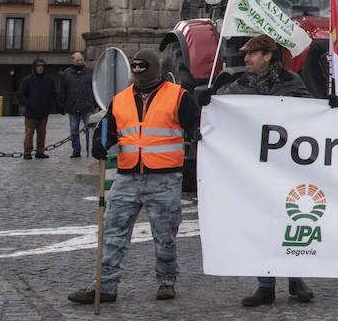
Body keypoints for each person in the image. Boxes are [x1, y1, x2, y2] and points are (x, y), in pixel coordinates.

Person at [68, 49, 201, 305]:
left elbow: (196, 124)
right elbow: (109, 129)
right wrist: (101, 143)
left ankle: (166, 280)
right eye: (134, 67)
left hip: (164, 178)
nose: (138, 71)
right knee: (113, 232)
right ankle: (105, 286)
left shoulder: (178, 97)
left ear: (153, 69)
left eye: (142, 66)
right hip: (127, 176)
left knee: (165, 234)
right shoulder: (120, 100)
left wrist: (197, 135)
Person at [209, 35, 318, 307]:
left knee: (293, 220)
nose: (245, 58)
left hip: (289, 166)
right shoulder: (238, 87)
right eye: (245, 54)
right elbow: (219, 114)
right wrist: (207, 102)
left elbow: (311, 116)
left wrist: (328, 106)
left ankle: (296, 279)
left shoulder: (291, 82)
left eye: (251, 54)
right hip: (254, 169)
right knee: (262, 223)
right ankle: (265, 284)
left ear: (268, 55)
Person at [16, 58, 57, 159]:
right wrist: (28, 104)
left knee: (42, 133)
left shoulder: (48, 80)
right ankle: (27, 152)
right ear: (35, 67)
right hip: (31, 112)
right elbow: (21, 94)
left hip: (43, 112)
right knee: (29, 133)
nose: (40, 68)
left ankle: (40, 151)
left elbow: (53, 94)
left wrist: (49, 104)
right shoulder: (27, 80)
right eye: (38, 66)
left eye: (42, 66)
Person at [59, 51, 96, 158]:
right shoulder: (67, 73)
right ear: (73, 61)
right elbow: (63, 89)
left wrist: (94, 102)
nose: (79, 62)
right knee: (74, 129)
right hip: (72, 105)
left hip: (87, 105)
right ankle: (76, 150)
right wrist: (61, 104)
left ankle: (90, 150)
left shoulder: (90, 72)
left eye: (81, 60)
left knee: (89, 130)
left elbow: (94, 88)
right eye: (77, 60)